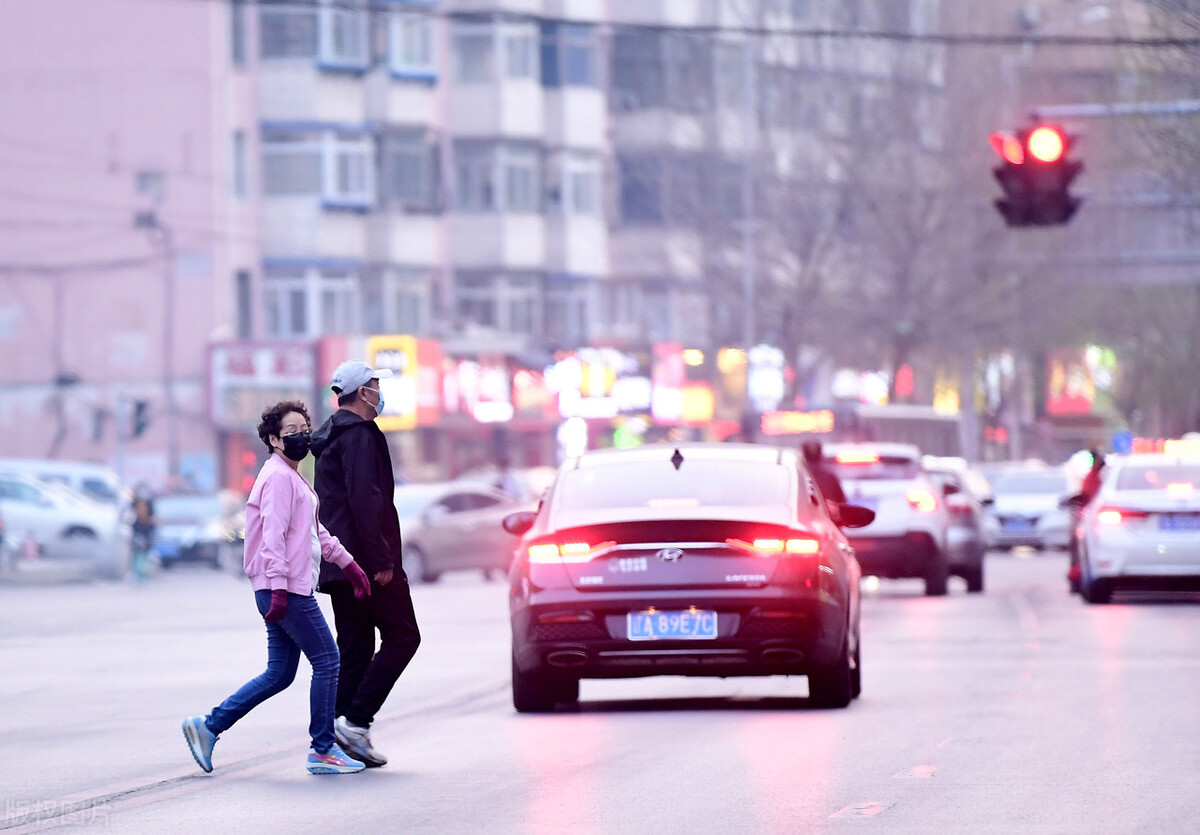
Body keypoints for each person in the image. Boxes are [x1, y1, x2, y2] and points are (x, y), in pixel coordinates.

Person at [182, 400, 373, 776]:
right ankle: (323, 749)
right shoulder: (277, 479)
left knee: (280, 673)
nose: (301, 435)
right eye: (291, 432)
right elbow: (272, 537)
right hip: (285, 588)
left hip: (282, 586)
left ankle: (209, 726)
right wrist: (281, 590)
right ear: (272, 438)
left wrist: (349, 564)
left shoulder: (292, 476)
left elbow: (314, 532)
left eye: (304, 428)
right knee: (329, 660)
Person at [311, 361, 422, 768]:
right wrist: (380, 561)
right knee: (404, 636)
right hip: (365, 562)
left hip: (340, 563)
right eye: (375, 384)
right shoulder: (358, 435)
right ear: (361, 392)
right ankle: (355, 722)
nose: (379, 390)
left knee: (355, 648)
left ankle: (331, 741)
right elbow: (365, 500)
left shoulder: (331, 436)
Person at [802, 440, 847, 507]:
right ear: (821, 455)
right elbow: (842, 503)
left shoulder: (798, 477)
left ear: (804, 456)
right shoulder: (830, 476)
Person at [130, 487, 156, 584]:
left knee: (143, 557)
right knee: (138, 557)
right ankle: (137, 577)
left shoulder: (149, 522)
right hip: (139, 536)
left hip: (145, 537)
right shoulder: (135, 521)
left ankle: (143, 577)